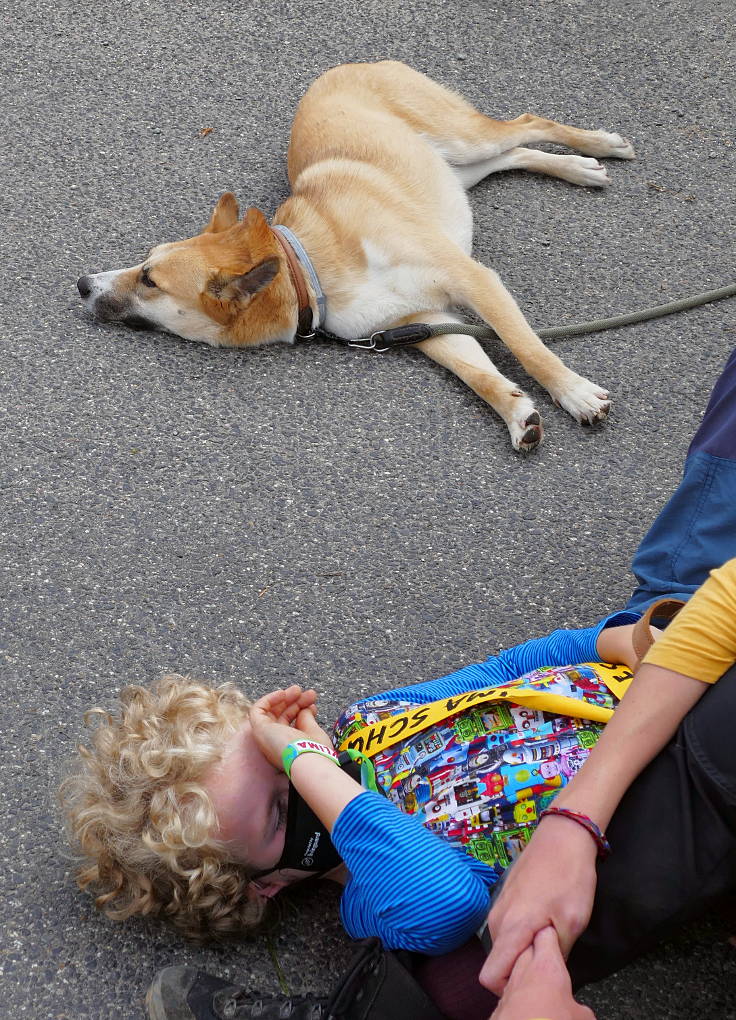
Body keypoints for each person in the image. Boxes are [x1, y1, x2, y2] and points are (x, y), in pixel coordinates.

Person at [60, 350, 736, 1020]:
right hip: (683, 777)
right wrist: (313, 766)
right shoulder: (370, 895)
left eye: (270, 758)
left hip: (656, 666)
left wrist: (611, 639)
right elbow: (448, 903)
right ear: (263, 888)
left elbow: (506, 672)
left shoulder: (374, 723)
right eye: (278, 812)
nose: (299, 779)